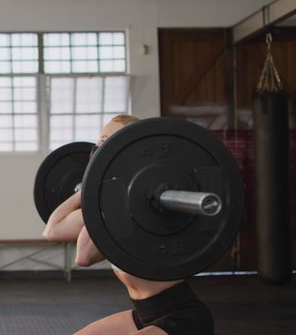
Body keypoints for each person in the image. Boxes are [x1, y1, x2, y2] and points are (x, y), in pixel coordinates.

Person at [43, 114, 214, 335]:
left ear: (124, 146)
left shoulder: (135, 208)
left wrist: (99, 193)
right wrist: (90, 189)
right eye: (98, 142)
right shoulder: (105, 205)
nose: (97, 148)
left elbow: (84, 257)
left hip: (183, 319)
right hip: (144, 315)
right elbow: (52, 229)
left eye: (106, 141)